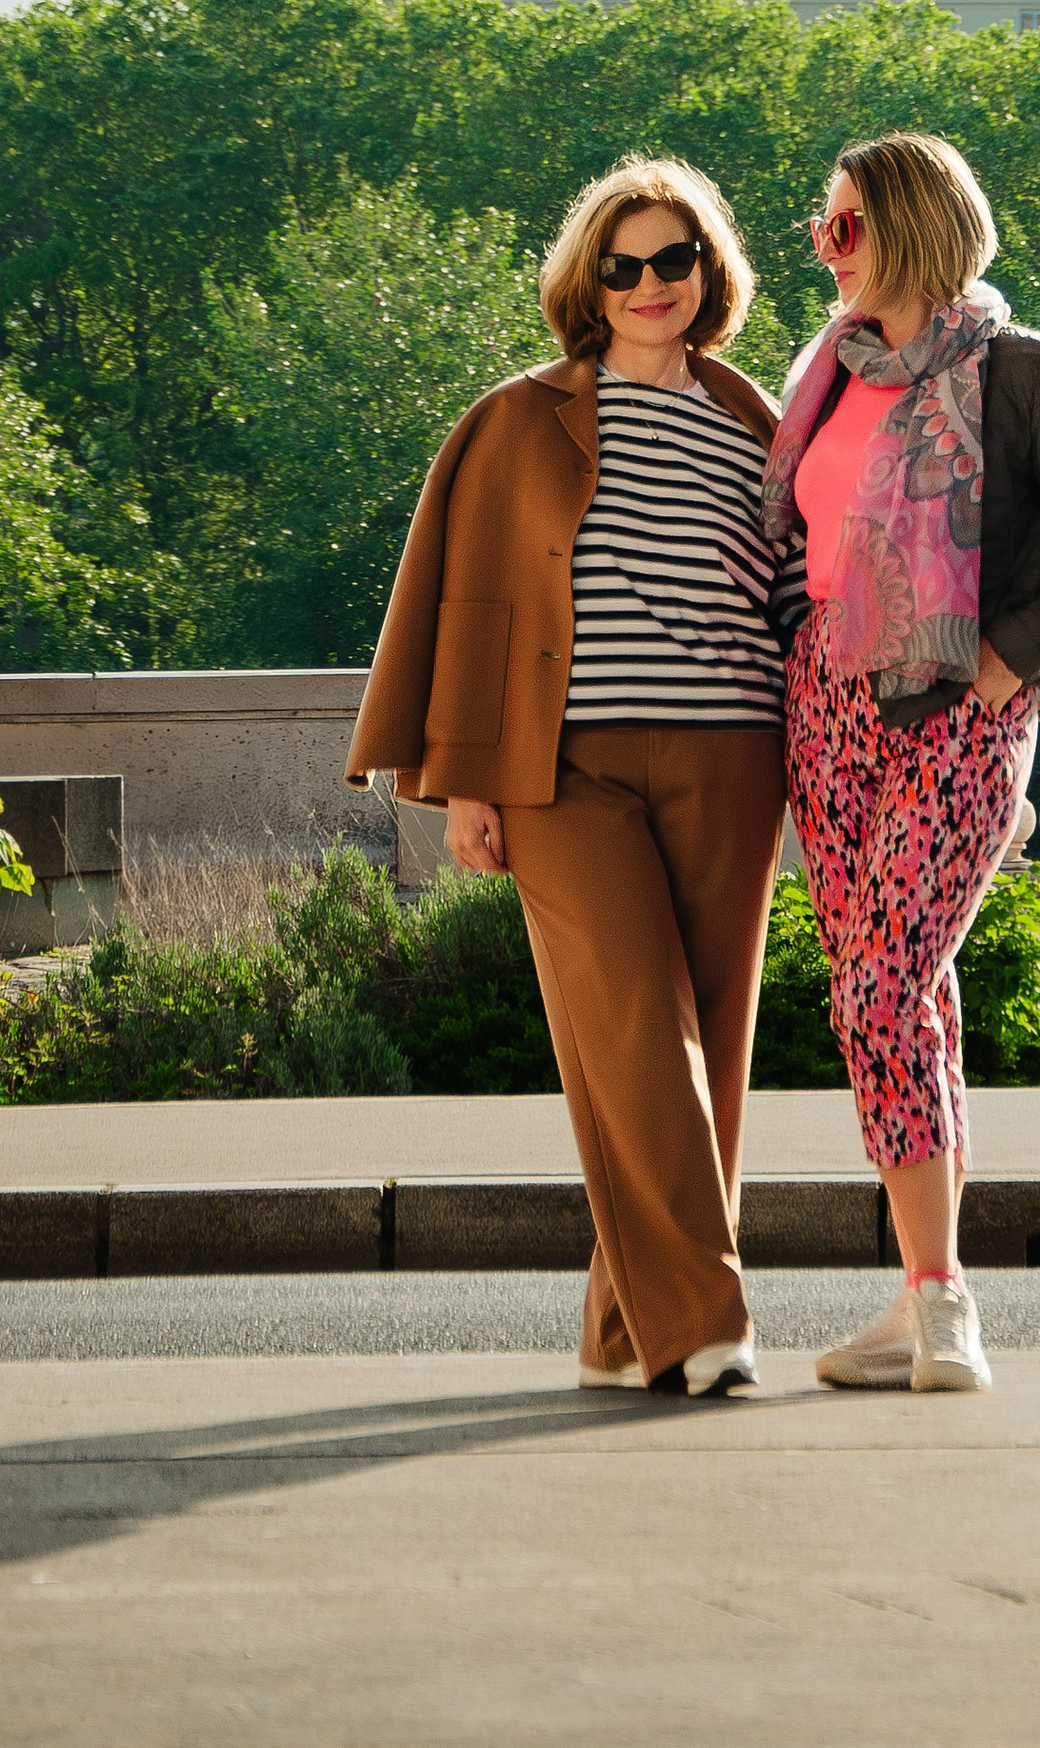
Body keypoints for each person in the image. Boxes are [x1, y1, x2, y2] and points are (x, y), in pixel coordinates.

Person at [346, 156, 793, 1399]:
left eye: (675, 259)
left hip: (733, 754)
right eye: (624, 265)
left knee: (713, 1039)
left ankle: (619, 1331)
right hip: (565, 770)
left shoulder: (758, 420)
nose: (652, 284)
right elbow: (469, 604)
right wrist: (464, 785)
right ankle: (709, 1321)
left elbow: (800, 591)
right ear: (585, 283)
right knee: (636, 1033)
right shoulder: (518, 417)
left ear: (711, 270)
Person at [765, 129, 1040, 1394]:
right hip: (824, 706)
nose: (823, 248)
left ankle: (943, 1303)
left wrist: (1002, 664)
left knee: (883, 987)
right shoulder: (825, 371)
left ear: (912, 229)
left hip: (955, 707)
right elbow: (786, 546)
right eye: (820, 226)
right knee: (896, 999)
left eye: (843, 226)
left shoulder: (1028, 371)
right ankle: (924, 1295)